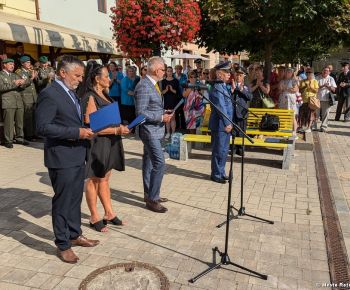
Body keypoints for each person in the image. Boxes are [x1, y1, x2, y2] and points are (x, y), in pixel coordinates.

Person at [36, 55, 99, 264]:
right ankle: (63, 244)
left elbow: (70, 119)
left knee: (74, 199)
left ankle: (74, 234)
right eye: (77, 75)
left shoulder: (70, 92)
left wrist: (87, 127)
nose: (81, 79)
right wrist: (76, 132)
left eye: (82, 75)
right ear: (63, 73)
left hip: (76, 154)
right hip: (61, 157)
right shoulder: (50, 94)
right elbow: (43, 127)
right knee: (63, 202)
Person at [80, 61, 129, 232]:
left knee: (105, 178)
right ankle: (94, 216)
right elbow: (92, 126)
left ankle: (109, 212)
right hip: (98, 143)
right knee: (94, 179)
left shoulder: (105, 94)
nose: (109, 78)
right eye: (106, 76)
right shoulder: (90, 96)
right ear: (96, 78)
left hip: (110, 141)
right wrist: (117, 129)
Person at [134, 56, 173, 213]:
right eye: (163, 69)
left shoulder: (154, 84)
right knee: (160, 163)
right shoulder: (144, 85)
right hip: (149, 131)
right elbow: (141, 112)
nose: (165, 72)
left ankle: (149, 193)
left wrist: (164, 112)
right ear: (157, 70)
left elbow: (152, 106)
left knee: (149, 162)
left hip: (156, 129)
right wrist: (161, 117)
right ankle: (153, 199)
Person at [209, 61, 233, 184]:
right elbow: (220, 107)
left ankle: (221, 172)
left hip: (225, 124)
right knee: (218, 150)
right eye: (227, 72)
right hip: (220, 124)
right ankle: (216, 174)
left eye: (229, 72)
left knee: (224, 150)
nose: (229, 74)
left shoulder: (223, 86)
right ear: (219, 74)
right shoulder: (217, 87)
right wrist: (227, 123)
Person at [0, 58, 28, 148]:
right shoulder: (0, 75)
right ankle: (8, 140)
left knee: (20, 121)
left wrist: (23, 83)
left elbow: (22, 86)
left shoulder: (15, 75)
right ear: (4, 65)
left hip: (18, 101)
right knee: (9, 122)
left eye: (13, 64)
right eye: (10, 64)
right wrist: (15, 84)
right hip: (8, 101)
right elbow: (1, 87)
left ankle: (20, 138)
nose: (12, 66)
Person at [16, 55, 38, 141]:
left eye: (29, 62)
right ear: (22, 63)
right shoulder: (19, 72)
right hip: (26, 96)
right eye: (27, 62)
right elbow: (22, 85)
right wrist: (31, 78)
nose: (29, 64)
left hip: (33, 96)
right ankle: (29, 135)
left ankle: (34, 133)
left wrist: (35, 77)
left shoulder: (30, 71)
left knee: (34, 116)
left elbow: (36, 83)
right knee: (28, 117)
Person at [232, 67, 252, 155]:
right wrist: (232, 91)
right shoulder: (230, 85)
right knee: (233, 132)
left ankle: (241, 149)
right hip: (233, 113)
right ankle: (233, 149)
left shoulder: (246, 86)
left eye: (240, 75)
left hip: (242, 113)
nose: (238, 77)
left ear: (243, 76)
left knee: (241, 132)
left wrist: (241, 90)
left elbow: (250, 97)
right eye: (237, 75)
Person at [161, 66, 180, 138]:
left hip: (173, 101)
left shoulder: (175, 81)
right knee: (167, 117)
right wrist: (166, 90)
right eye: (168, 71)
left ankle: (173, 133)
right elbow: (161, 93)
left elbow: (177, 93)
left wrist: (171, 89)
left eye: (171, 71)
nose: (169, 73)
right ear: (166, 72)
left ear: (172, 72)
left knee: (173, 118)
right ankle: (168, 132)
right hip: (166, 101)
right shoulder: (163, 81)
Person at [316, 66, 337, 132]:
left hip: (327, 99)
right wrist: (323, 85)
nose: (325, 72)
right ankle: (313, 126)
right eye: (324, 70)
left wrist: (328, 86)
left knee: (325, 114)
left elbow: (334, 90)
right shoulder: (317, 78)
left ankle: (323, 127)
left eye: (327, 71)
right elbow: (314, 88)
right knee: (315, 114)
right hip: (317, 99)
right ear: (322, 71)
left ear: (329, 72)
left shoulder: (331, 79)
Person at [298, 68, 319, 132]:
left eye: (310, 73)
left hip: (311, 100)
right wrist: (305, 87)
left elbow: (316, 91)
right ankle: (302, 126)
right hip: (303, 100)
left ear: (312, 74)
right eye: (307, 73)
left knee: (310, 114)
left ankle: (309, 127)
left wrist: (310, 87)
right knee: (302, 114)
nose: (309, 75)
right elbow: (299, 90)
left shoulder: (315, 81)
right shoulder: (302, 81)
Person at [279, 68, 299, 134]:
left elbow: (295, 90)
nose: (287, 73)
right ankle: (284, 130)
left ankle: (294, 131)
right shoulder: (282, 81)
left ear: (292, 73)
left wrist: (286, 88)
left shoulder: (294, 81)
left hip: (291, 100)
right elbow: (280, 90)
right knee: (283, 115)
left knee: (292, 116)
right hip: (283, 100)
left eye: (289, 72)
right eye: (287, 72)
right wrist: (286, 89)